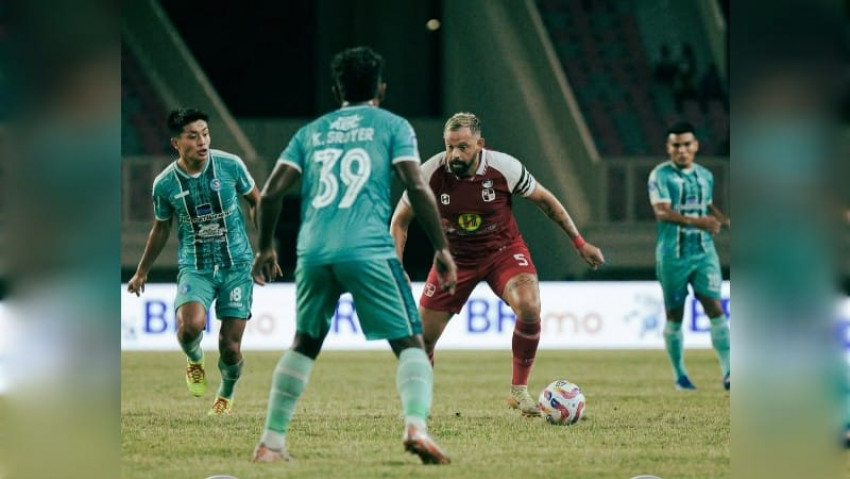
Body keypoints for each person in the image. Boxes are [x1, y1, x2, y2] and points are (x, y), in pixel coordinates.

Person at [250, 46, 457, 465]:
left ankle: (271, 442)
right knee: (410, 341)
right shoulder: (392, 126)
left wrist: (266, 246)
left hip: (313, 250)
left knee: (305, 341)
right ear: (381, 88)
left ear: (335, 90)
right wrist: (441, 247)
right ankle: (415, 426)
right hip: (367, 249)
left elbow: (269, 194)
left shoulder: (311, 132)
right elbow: (416, 186)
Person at [390, 112, 605, 417]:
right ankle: (418, 403)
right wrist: (396, 267)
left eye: (463, 147)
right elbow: (400, 221)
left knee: (529, 306)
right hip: (455, 259)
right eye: (449, 147)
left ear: (480, 144)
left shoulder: (505, 168)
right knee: (421, 338)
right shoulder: (429, 173)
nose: (454, 155)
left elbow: (545, 200)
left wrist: (579, 242)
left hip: (502, 252)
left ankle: (518, 392)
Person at [127, 107, 261, 415]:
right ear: (177, 143)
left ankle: (226, 394)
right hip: (196, 267)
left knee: (230, 348)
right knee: (190, 328)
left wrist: (265, 247)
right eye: (193, 136)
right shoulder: (165, 184)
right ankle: (194, 358)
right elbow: (161, 228)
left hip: (236, 265)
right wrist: (142, 271)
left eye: (205, 134)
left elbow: (257, 201)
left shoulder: (230, 165)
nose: (202, 141)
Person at [647, 121, 731, 390]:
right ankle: (680, 376)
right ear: (668, 148)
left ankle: (729, 372)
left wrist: (722, 219)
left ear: (695, 146)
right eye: (676, 145)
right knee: (675, 315)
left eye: (686, 144)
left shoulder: (705, 175)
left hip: (704, 252)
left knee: (715, 308)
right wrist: (700, 222)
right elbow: (661, 211)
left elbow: (706, 203)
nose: (681, 150)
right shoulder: (660, 175)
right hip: (673, 256)